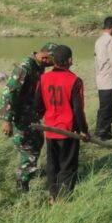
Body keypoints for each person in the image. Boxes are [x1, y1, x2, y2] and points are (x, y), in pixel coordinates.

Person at [0, 42, 58, 192]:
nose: (55, 63)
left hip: (30, 117)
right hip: (20, 119)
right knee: (28, 150)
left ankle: (29, 172)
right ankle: (21, 186)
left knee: (37, 142)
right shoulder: (24, 69)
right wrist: (6, 120)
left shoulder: (38, 67)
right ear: (45, 57)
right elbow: (8, 93)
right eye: (54, 60)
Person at [35, 45, 89, 204]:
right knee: (68, 167)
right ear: (70, 60)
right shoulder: (75, 81)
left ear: (54, 61)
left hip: (50, 130)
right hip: (68, 132)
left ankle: (52, 196)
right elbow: (78, 111)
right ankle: (63, 200)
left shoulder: (43, 78)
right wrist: (84, 131)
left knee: (53, 165)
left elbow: (38, 106)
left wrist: (40, 119)